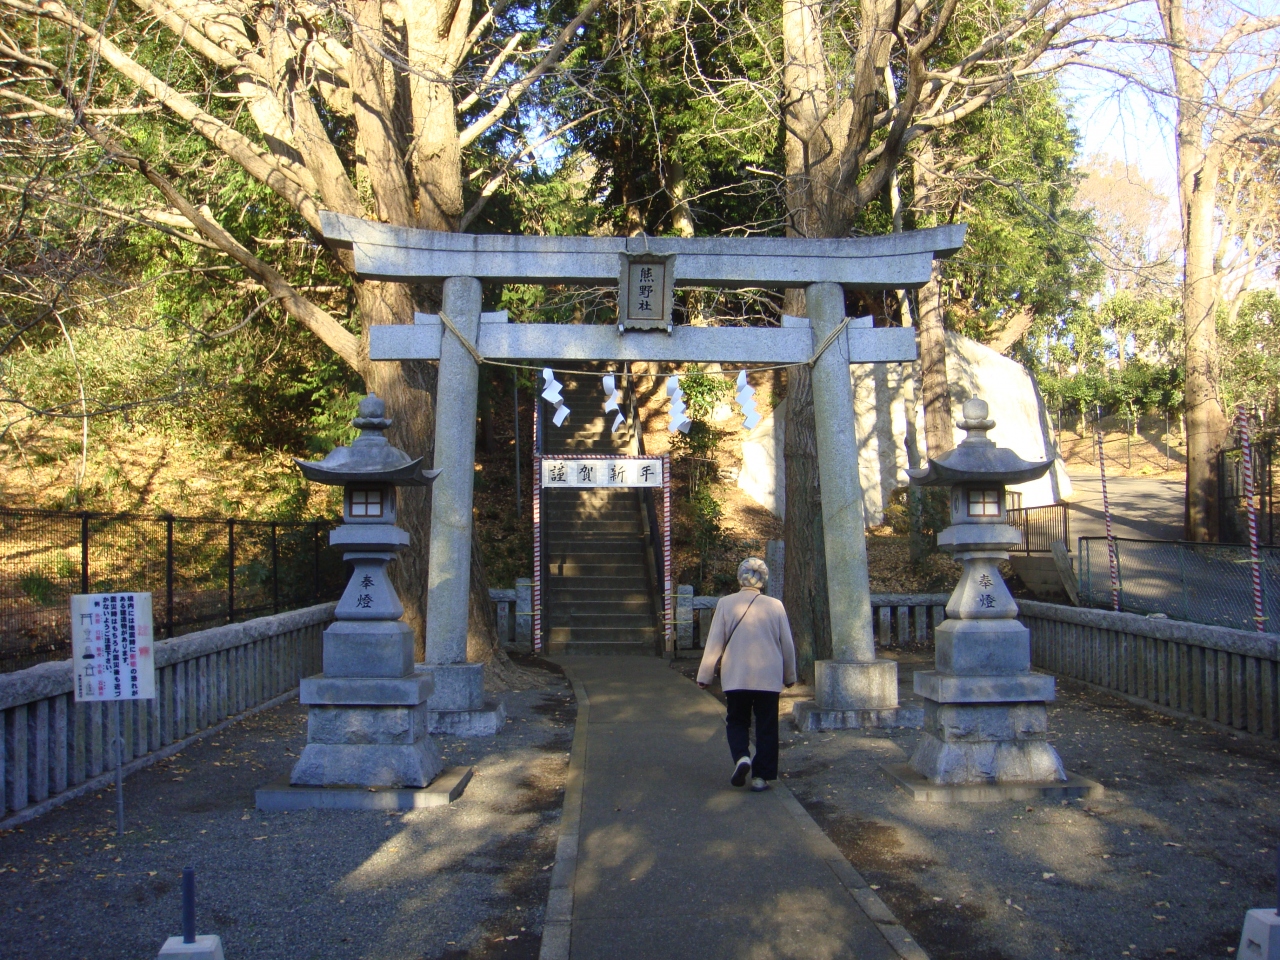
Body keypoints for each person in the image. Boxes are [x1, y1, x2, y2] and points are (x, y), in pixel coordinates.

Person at [696, 557, 797, 792]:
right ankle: (761, 777)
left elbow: (714, 642)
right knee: (766, 726)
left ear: (739, 577)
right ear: (764, 579)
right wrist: (790, 675)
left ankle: (742, 756)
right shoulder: (775, 606)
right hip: (768, 676)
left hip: (736, 675)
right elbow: (787, 644)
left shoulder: (725, 604)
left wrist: (705, 675)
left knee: (737, 720)